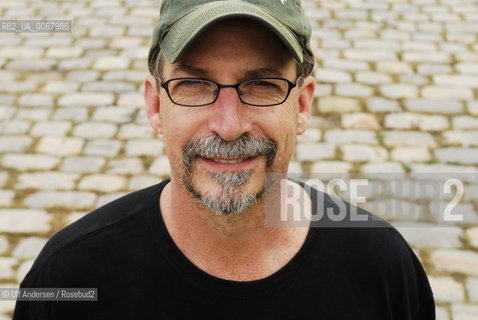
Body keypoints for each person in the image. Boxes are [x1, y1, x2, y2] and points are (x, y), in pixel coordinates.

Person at [13, 0, 435, 319]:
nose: (229, 126)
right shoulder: (68, 278)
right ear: (156, 106)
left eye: (263, 84)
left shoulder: (382, 270)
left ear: (302, 105)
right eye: (194, 84)